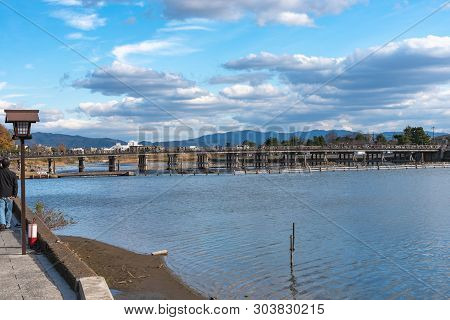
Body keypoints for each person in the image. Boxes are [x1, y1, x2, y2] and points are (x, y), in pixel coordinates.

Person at [0, 158, 18, 231]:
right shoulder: (13, 174)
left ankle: (2, 223)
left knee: (1, 209)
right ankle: (8, 224)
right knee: (9, 210)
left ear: (2, 164)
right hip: (10, 195)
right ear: (9, 165)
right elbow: (15, 186)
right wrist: (14, 195)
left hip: (1, 194)